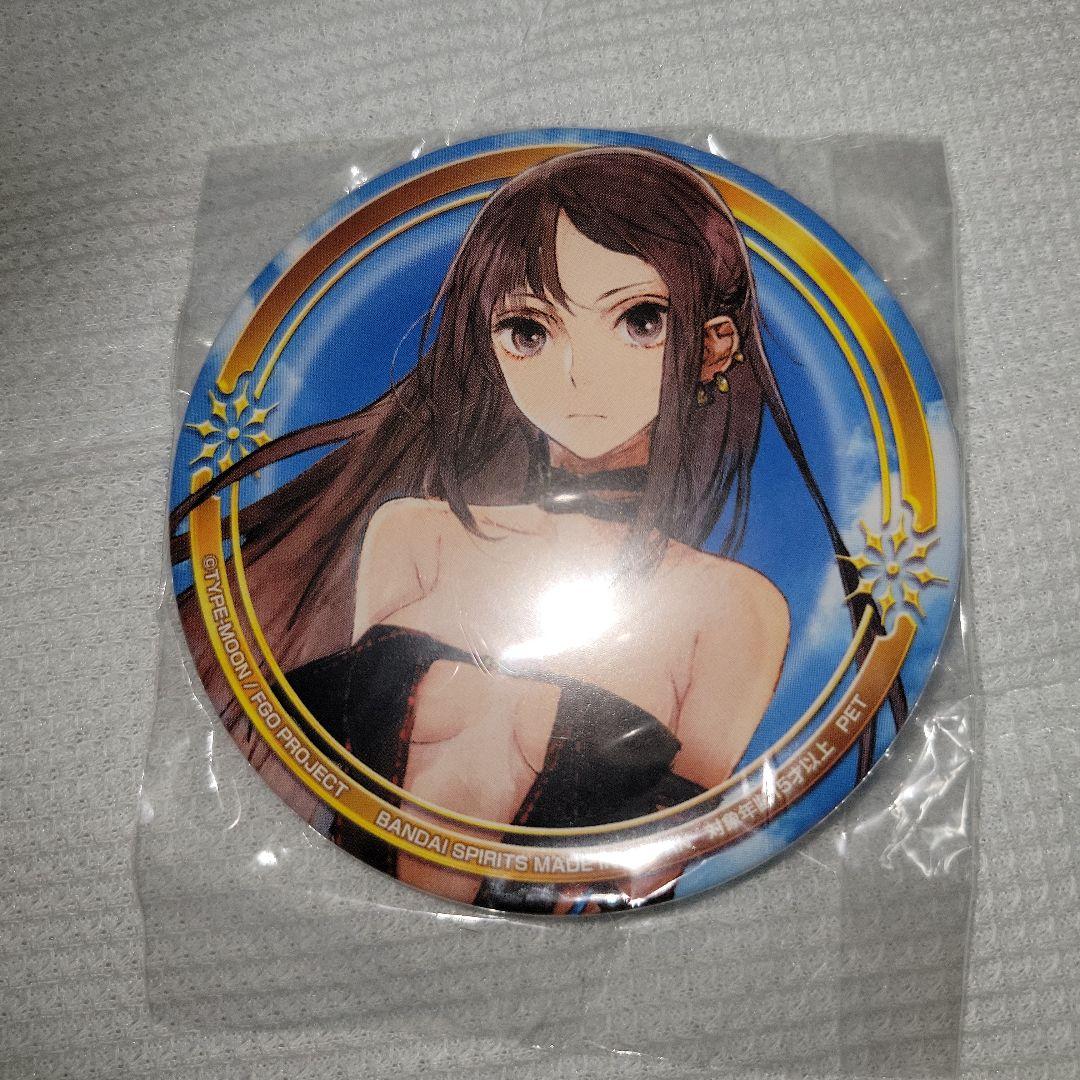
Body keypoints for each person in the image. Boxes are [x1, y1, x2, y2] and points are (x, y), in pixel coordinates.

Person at [171, 146, 904, 911]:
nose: (578, 373)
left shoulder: (735, 609)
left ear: (714, 346)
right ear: (489, 346)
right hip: (338, 912)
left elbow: (662, 862)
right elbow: (346, 786)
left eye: (641, 320)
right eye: (528, 329)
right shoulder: (414, 536)